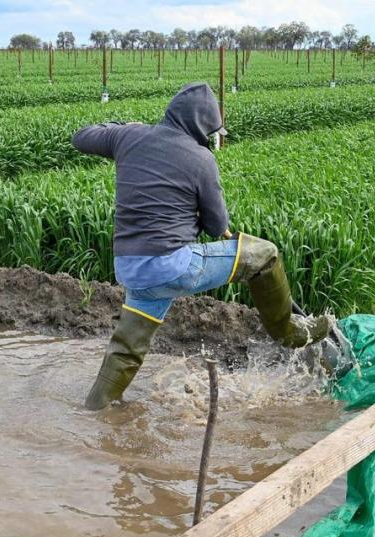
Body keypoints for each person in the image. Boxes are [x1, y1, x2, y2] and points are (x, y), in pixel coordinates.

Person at [72, 82, 332, 410]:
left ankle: (96, 409)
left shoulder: (127, 137)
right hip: (172, 264)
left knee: (126, 350)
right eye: (210, 130)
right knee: (264, 255)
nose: (209, 136)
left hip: (131, 270)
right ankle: (291, 333)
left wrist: (126, 128)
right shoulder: (200, 158)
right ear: (198, 125)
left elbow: (81, 136)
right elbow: (215, 226)